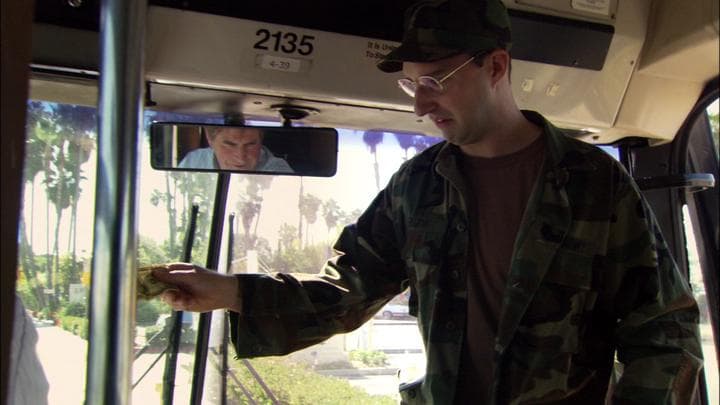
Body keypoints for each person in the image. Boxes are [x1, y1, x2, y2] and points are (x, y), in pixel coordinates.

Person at [153, 0, 703, 403]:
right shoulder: (417, 187)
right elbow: (350, 292)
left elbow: (663, 330)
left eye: (436, 80)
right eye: (411, 86)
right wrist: (227, 290)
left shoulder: (594, 184)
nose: (421, 105)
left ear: (496, 66)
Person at [178, 126, 294, 173]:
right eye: (229, 144)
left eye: (250, 144)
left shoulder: (278, 172)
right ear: (210, 139)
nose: (240, 156)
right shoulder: (193, 162)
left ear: (261, 141)